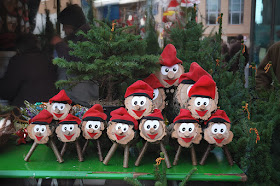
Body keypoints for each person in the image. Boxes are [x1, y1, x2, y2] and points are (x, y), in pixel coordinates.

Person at [51, 4, 98, 107]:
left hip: (81, 97)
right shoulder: (77, 37)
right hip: (76, 95)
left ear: (72, 24)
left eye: (65, 26)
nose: (63, 30)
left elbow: (77, 61)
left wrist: (60, 44)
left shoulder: (87, 37)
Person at [0, 33, 57, 107]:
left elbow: (7, 92)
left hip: (27, 111)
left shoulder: (18, 60)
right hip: (50, 108)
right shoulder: (48, 59)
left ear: (18, 48)